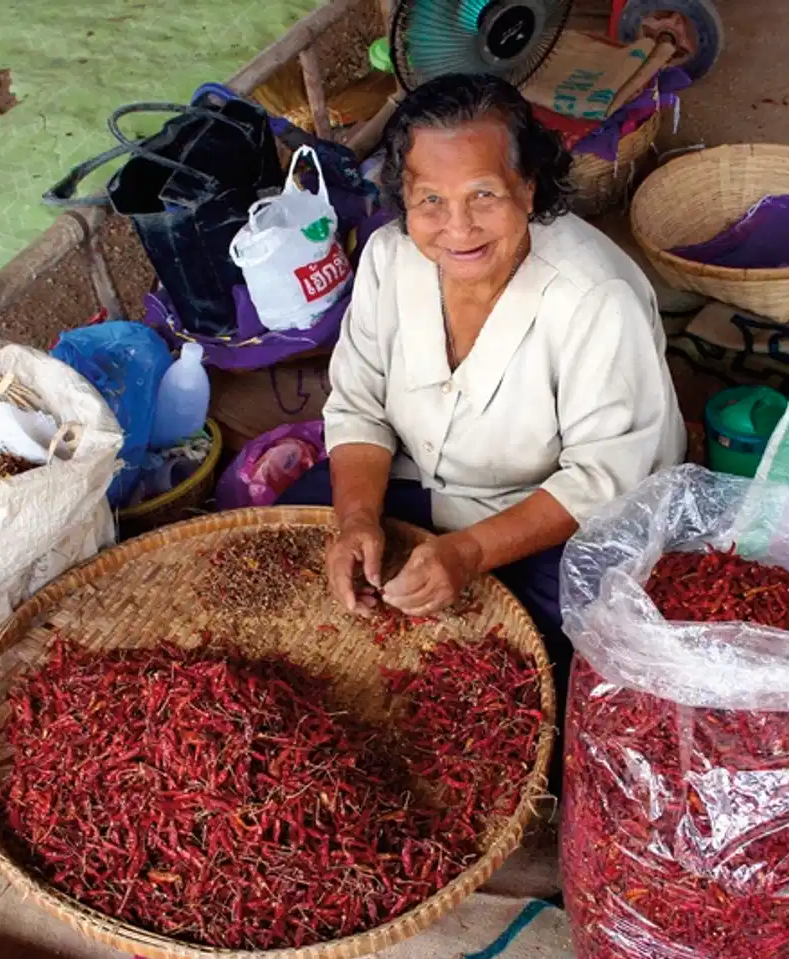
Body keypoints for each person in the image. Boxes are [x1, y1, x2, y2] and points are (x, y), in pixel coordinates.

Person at [279, 73, 685, 711]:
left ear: (528, 189)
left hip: (556, 515)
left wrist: (469, 553)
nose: (457, 228)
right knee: (297, 550)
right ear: (402, 199)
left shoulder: (592, 298)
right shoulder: (389, 259)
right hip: (424, 481)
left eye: (485, 194)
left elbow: (604, 479)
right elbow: (358, 404)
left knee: (539, 679)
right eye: (430, 200)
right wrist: (356, 519)